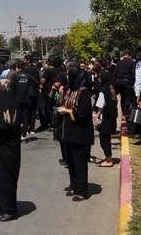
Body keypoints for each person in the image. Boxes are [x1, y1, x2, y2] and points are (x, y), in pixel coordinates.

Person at [57, 63, 94, 201]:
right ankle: (74, 185)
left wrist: (67, 111)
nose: (66, 76)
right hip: (69, 132)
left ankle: (82, 191)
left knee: (79, 163)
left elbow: (83, 113)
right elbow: (65, 103)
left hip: (80, 133)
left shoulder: (84, 92)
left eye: (68, 74)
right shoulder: (71, 90)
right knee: (71, 162)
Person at [0, 75, 21, 222]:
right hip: (1, 148)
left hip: (7, 150)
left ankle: (10, 210)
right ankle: (3, 203)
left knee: (6, 178)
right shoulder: (9, 104)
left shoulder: (8, 107)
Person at [93, 61, 117, 167]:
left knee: (104, 140)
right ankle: (107, 158)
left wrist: (96, 117)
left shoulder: (102, 90)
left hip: (105, 118)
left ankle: (109, 160)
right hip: (110, 118)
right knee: (106, 139)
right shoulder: (110, 89)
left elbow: (100, 105)